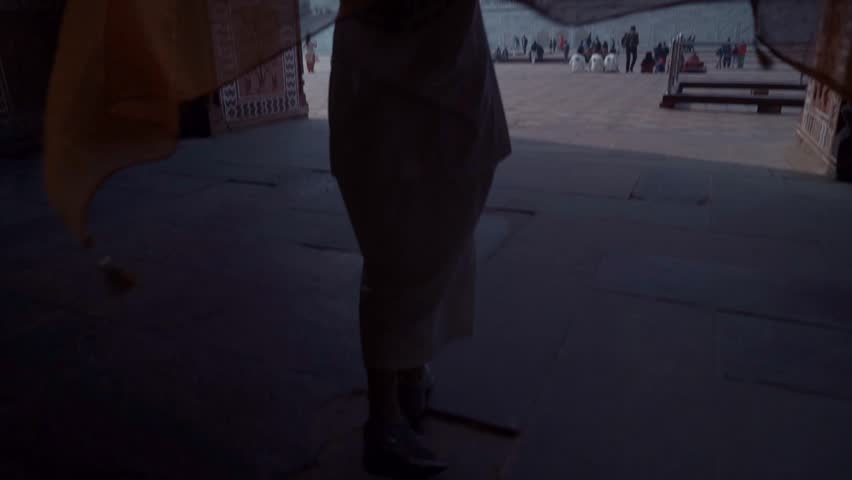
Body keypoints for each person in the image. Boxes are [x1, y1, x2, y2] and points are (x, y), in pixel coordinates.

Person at [329, 1, 510, 476]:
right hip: (390, 28)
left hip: (439, 33)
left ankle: (409, 370)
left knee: (443, 215)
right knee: (399, 231)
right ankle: (384, 415)